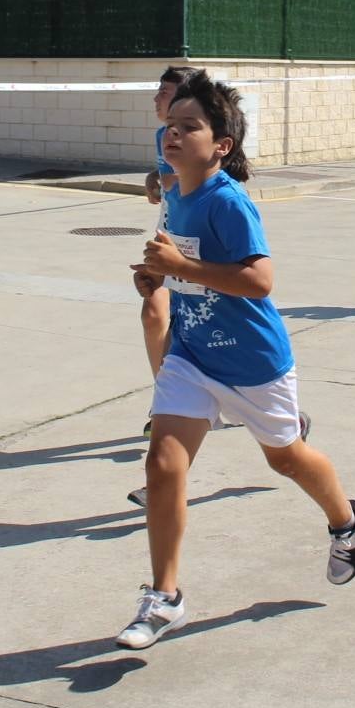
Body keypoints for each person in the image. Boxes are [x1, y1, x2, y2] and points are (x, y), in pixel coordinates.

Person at [121, 71, 355, 649]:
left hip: (253, 362)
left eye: (191, 127)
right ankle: (165, 597)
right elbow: (187, 265)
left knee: (286, 459)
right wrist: (158, 276)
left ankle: (348, 520)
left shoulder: (226, 201)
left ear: (222, 146)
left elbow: (259, 281)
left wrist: (180, 270)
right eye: (171, 126)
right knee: (163, 464)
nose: (175, 135)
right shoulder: (177, 195)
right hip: (191, 354)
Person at [140, 66, 196, 439]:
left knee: (208, 332)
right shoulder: (163, 135)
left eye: (164, 92)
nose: (156, 98)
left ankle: (287, 421)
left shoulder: (202, 139)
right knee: (153, 312)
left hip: (195, 246)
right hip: (167, 238)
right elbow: (168, 182)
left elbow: (190, 184)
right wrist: (155, 179)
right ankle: (168, 401)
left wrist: (163, 182)